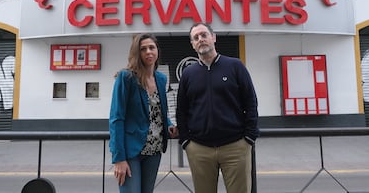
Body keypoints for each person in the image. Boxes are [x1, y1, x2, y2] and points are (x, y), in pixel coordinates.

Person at [176, 22, 259, 193]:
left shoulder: (235, 66)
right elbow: (181, 110)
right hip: (199, 149)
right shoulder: (188, 74)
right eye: (196, 37)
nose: (201, 39)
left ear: (213, 37)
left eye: (204, 35)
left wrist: (249, 138)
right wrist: (186, 141)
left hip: (235, 147)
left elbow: (250, 102)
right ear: (192, 44)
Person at [109, 33, 178, 193]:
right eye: (143, 49)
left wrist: (169, 124)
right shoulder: (126, 78)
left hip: (154, 150)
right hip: (131, 151)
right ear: (136, 53)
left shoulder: (161, 78)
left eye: (152, 47)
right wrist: (119, 158)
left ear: (157, 51)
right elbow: (116, 119)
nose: (148, 52)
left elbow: (159, 110)